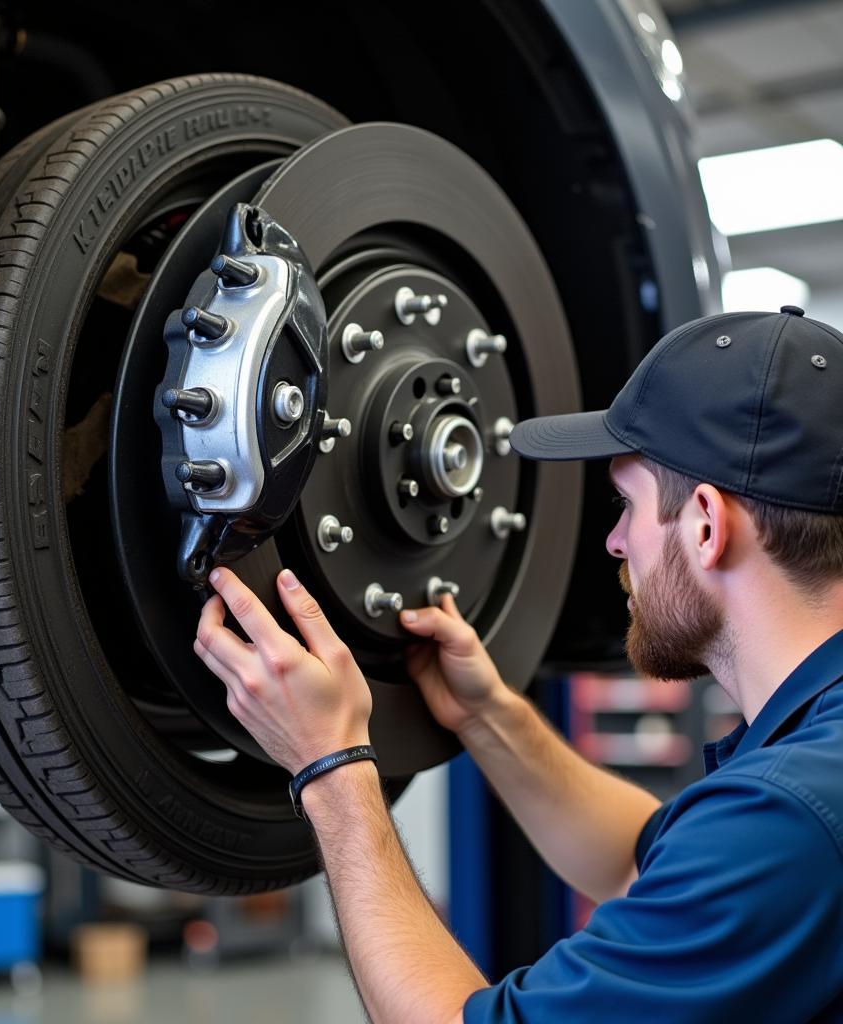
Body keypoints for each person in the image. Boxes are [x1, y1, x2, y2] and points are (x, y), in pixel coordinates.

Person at [192, 305, 843, 1022]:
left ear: (708, 526)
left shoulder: (790, 817)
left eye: (627, 504)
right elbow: (639, 860)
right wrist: (486, 715)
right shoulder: (810, 773)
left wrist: (331, 765)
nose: (615, 543)